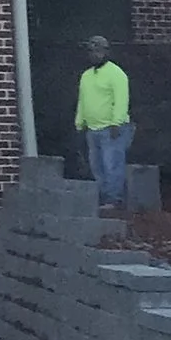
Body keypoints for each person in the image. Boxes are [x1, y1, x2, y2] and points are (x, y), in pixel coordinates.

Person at [74, 36, 132, 212]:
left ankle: (114, 200)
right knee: (97, 166)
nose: (94, 54)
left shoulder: (116, 73)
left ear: (106, 52)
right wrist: (80, 122)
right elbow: (82, 100)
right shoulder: (86, 75)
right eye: (91, 51)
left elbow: (121, 100)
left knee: (112, 165)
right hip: (92, 129)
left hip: (111, 129)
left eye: (98, 50)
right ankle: (103, 199)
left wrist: (116, 122)